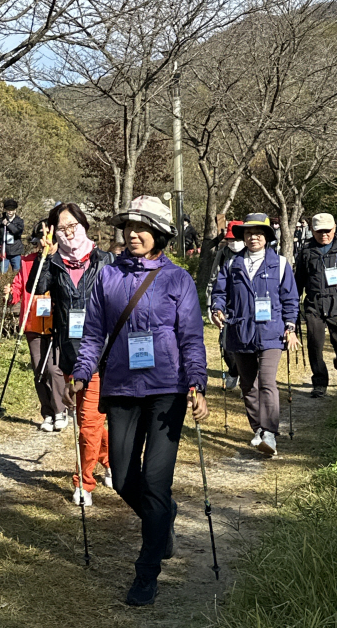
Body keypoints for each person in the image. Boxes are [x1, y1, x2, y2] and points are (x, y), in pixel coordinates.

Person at [69, 195, 208, 606]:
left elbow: (192, 338)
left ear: (160, 233)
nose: (133, 234)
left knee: (154, 481)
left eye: (142, 227)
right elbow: (93, 333)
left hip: (168, 389)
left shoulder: (177, 280)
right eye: (128, 227)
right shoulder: (107, 278)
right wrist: (81, 371)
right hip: (121, 388)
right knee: (126, 479)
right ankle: (162, 518)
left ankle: (146, 574)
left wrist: (196, 382)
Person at [27, 202, 114, 501]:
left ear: (84, 224)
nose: (68, 233)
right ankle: (111, 461)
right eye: (60, 229)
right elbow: (36, 289)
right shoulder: (53, 263)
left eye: (72, 226)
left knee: (88, 422)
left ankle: (83, 482)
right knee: (91, 418)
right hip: (68, 352)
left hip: (101, 355)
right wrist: (44, 254)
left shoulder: (106, 260)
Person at [211, 213, 299, 456]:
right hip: (240, 332)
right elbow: (220, 293)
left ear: (267, 237)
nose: (253, 237)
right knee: (248, 385)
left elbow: (290, 299)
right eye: (249, 233)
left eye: (259, 233)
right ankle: (258, 429)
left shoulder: (280, 264)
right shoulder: (231, 264)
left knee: (268, 382)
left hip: (272, 332)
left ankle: (270, 432)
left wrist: (290, 328)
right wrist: (217, 309)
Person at [4, 222, 68, 433]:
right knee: (39, 369)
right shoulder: (27, 262)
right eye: (39, 243)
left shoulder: (62, 261)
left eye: (47, 242)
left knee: (53, 368)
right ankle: (48, 412)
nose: (42, 246)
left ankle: (60, 410)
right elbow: (18, 287)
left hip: (55, 323)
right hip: (31, 323)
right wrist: (10, 294)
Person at [294, 212, 337, 398]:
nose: (324, 235)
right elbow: (298, 282)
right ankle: (319, 382)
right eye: (319, 231)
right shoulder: (305, 251)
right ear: (312, 230)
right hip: (314, 304)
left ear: (334, 228)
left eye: (328, 231)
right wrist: (292, 307)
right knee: (314, 344)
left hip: (336, 303)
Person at [206, 221, 245, 389]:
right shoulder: (222, 254)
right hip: (224, 304)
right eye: (230, 239)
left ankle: (246, 379)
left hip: (246, 305)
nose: (233, 243)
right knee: (226, 343)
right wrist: (211, 306)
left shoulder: (252, 253)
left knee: (247, 344)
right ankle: (234, 371)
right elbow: (213, 280)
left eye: (236, 239)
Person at [0, 199, 25, 273]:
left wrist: (8, 224)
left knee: (17, 273)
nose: (9, 211)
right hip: (4, 251)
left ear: (15, 210)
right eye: (8, 209)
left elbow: (17, 232)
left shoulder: (19, 221)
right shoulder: (0, 222)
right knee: (2, 272)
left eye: (12, 209)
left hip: (15, 251)